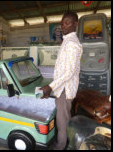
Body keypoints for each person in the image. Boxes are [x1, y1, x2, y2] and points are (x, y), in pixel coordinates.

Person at [40, 12, 83, 150]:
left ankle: (60, 146)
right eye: (62, 23)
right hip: (62, 87)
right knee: (64, 117)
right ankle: (65, 142)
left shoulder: (72, 44)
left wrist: (50, 87)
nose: (63, 26)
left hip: (65, 89)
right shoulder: (67, 41)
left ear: (75, 24)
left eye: (67, 23)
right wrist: (53, 88)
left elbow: (69, 72)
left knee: (62, 121)